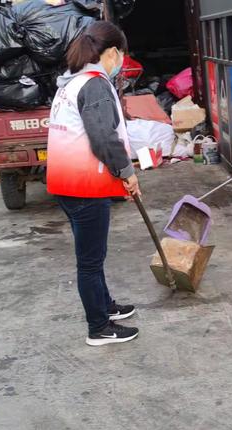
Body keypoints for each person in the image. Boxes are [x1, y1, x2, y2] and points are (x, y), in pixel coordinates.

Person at [47, 21, 141, 345]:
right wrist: (127, 173)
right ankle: (99, 327)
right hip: (83, 187)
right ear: (112, 52)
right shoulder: (95, 85)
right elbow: (104, 138)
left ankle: (106, 306)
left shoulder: (68, 84)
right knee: (89, 261)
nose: (121, 63)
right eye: (122, 56)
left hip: (65, 185)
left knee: (92, 255)